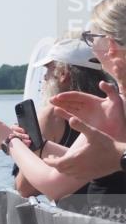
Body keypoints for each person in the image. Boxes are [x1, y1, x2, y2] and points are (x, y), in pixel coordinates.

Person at [0, 0, 126, 222]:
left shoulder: (113, 108)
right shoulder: (112, 104)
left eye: (93, 38)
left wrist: (9, 142)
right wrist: (41, 147)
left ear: (111, 47)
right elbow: (93, 160)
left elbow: (53, 185)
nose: (92, 47)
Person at [12, 37, 107, 198]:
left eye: (48, 70)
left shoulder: (53, 115)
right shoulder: (113, 108)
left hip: (73, 218)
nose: (44, 78)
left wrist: (14, 145)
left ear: (63, 74)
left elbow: (24, 188)